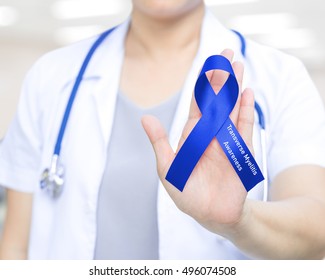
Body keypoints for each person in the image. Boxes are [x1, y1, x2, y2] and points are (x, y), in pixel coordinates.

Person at [0, 0, 325, 260]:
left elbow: (316, 230)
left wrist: (242, 221)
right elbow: (15, 248)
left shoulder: (281, 78)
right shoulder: (51, 77)